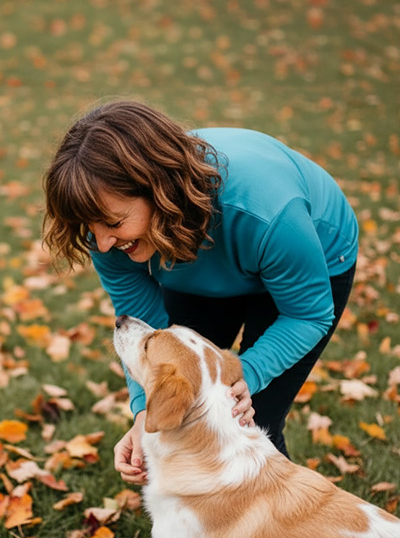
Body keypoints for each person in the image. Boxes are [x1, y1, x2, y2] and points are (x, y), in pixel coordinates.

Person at [43, 100, 358, 485]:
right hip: (194, 260)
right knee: (184, 411)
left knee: (253, 419)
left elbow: (307, 314)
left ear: (159, 190)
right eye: (89, 226)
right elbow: (149, 336)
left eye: (113, 222)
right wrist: (145, 414)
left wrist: (248, 374)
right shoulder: (107, 235)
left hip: (304, 257)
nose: (103, 243)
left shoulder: (268, 212)